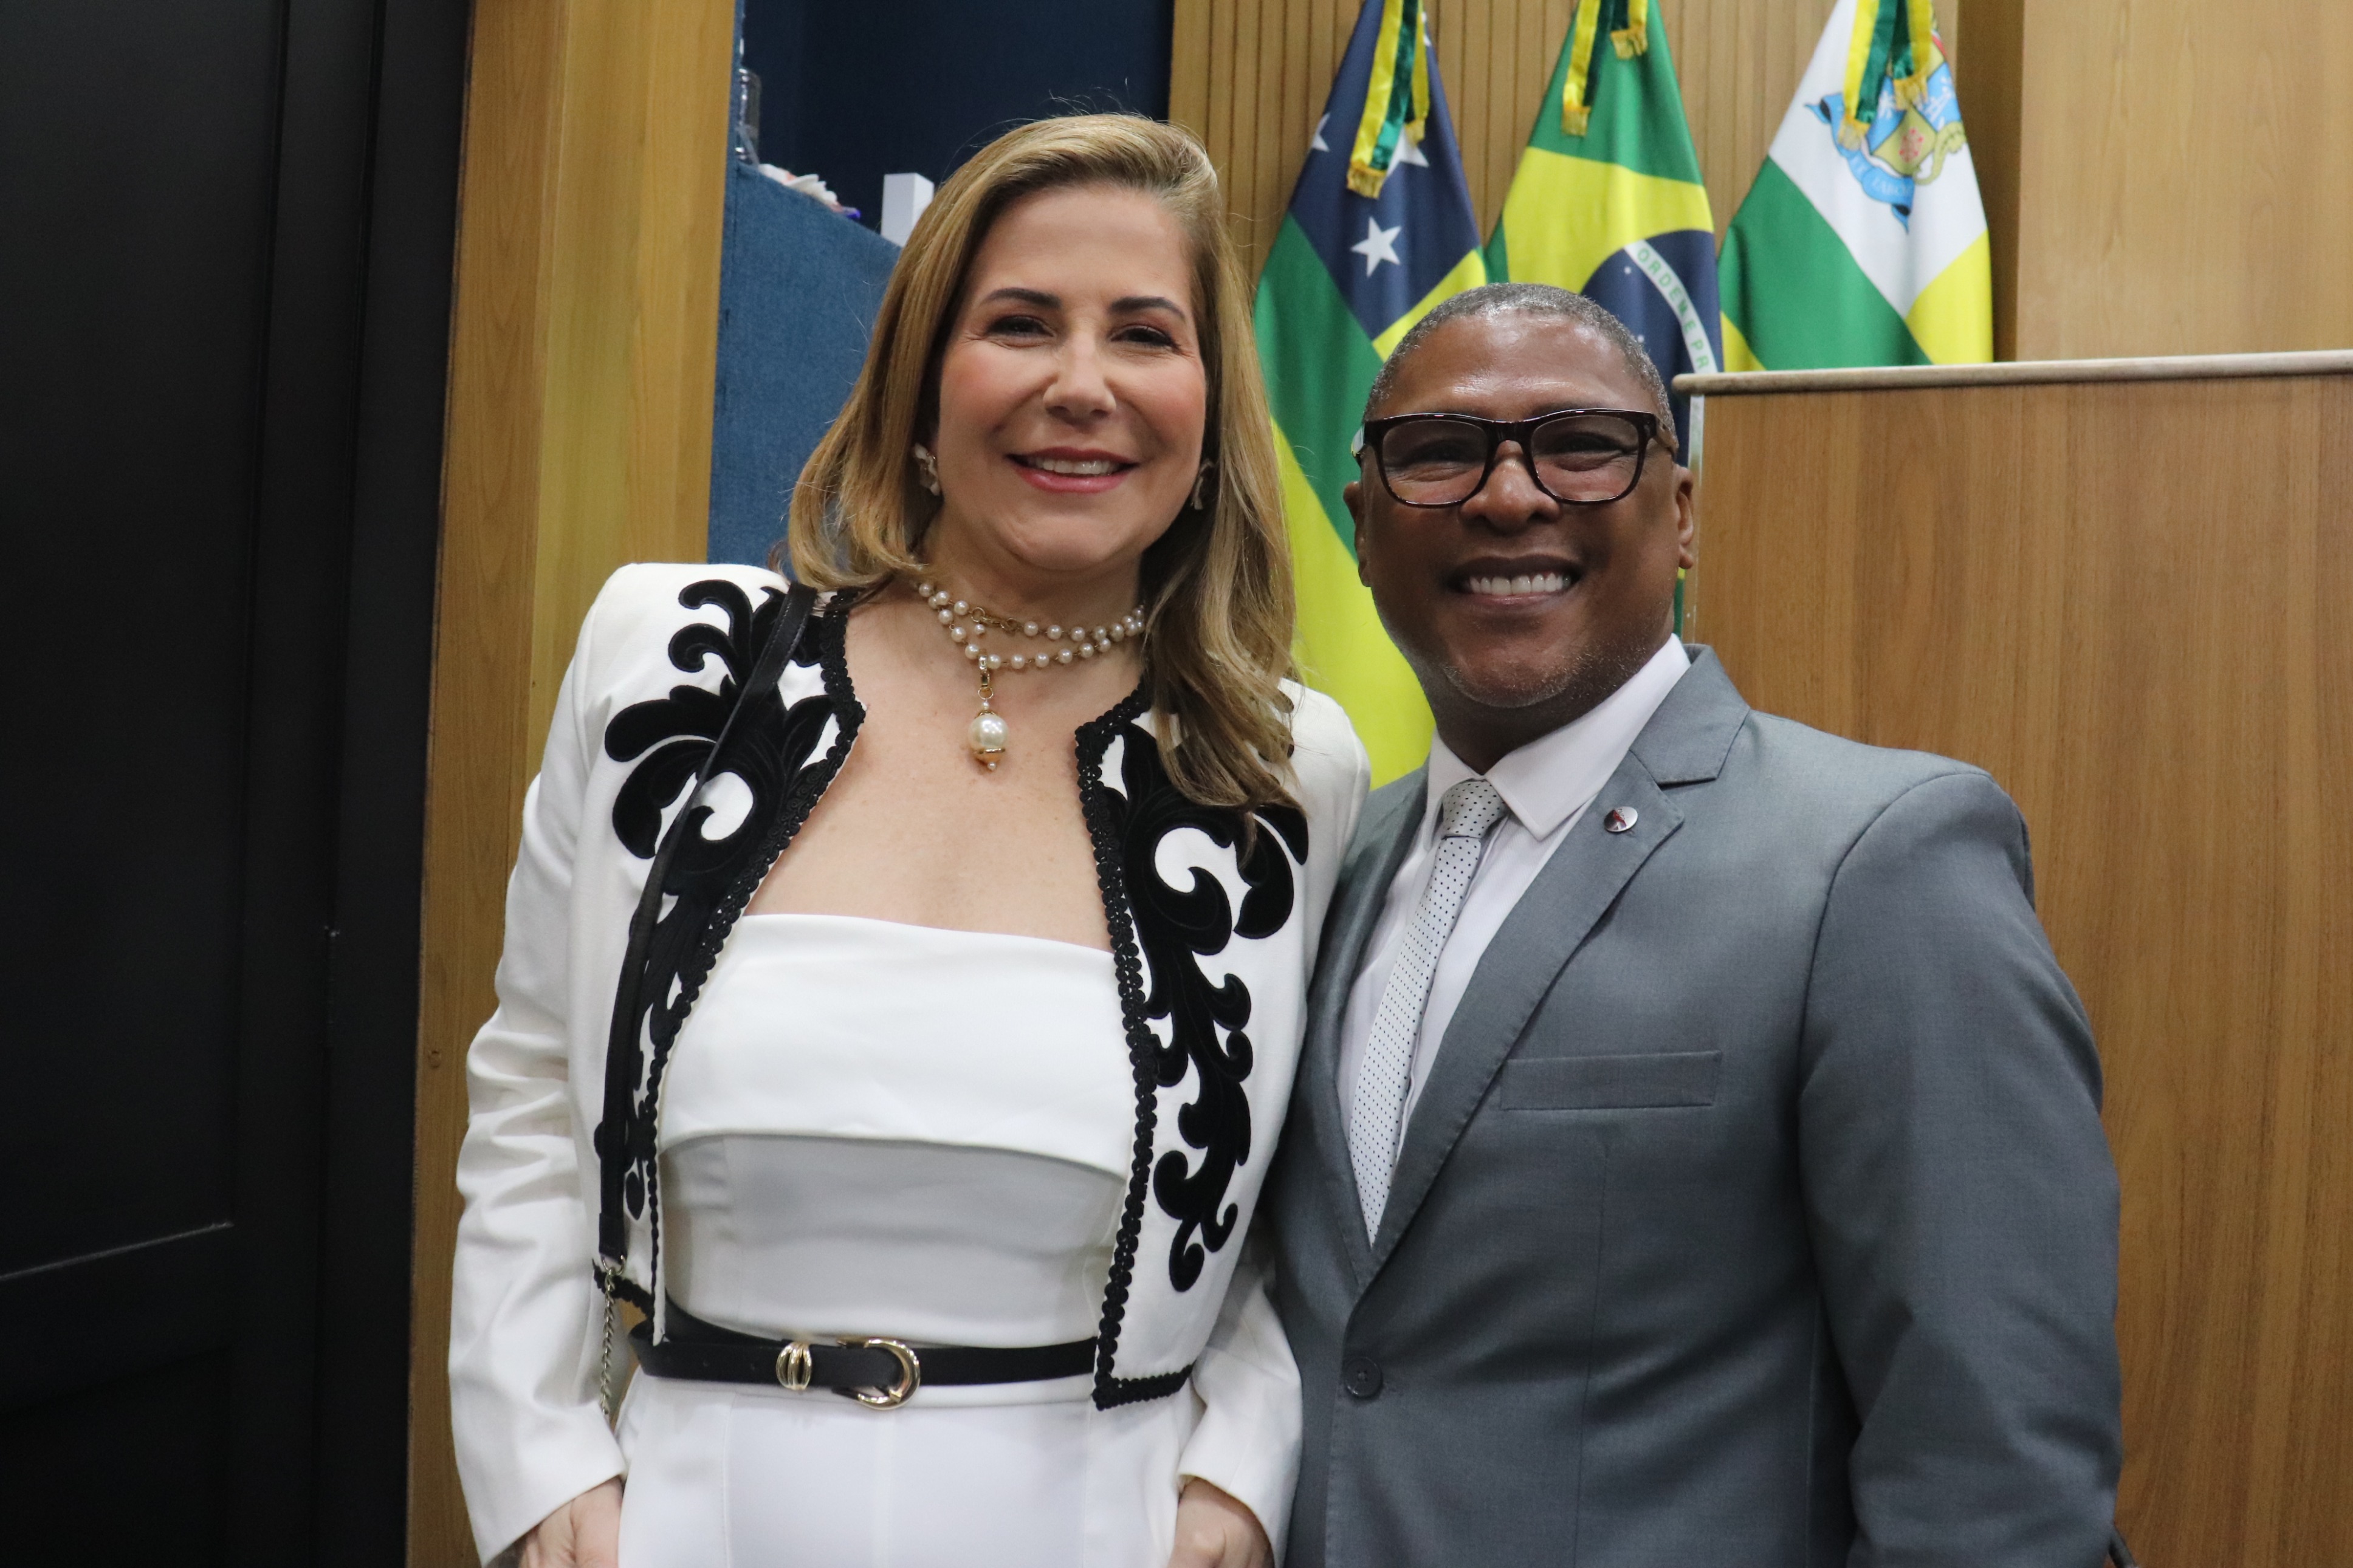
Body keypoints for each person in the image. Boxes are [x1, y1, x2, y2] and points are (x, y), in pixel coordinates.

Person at [448, 115, 1368, 1568]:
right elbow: (529, 1102)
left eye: (1144, 333)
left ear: (1209, 412)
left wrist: (1240, 1479)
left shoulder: (1282, 769)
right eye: (1020, 323)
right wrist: (539, 1468)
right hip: (680, 1519)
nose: (1082, 384)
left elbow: (1291, 1201)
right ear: (920, 387)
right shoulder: (666, 668)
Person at [1265, 283, 2123, 1567]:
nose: (1510, 496)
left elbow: (1996, 1469)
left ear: (1681, 513)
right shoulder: (1317, 868)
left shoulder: (1879, 861)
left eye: (1581, 446)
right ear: (1362, 529)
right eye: (1439, 452)